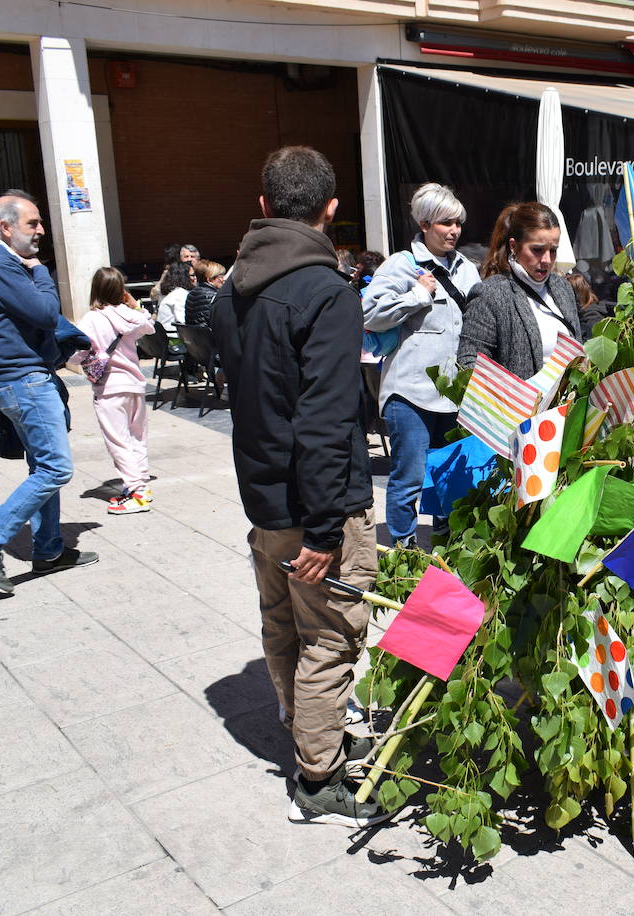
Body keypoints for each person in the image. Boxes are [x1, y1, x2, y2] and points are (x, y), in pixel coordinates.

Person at [211, 146, 386, 827]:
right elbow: (324, 420)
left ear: (264, 206)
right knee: (330, 636)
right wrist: (323, 527)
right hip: (317, 504)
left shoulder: (233, 287)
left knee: (285, 623)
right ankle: (319, 779)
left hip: (265, 498)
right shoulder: (326, 291)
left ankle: (311, 735)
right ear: (331, 210)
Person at [0, 190, 98, 596]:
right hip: (23, 380)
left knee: (42, 467)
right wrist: (40, 272)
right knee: (55, 469)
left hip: (22, 378)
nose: (41, 231)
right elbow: (45, 313)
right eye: (32, 223)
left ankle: (49, 550)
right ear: (5, 227)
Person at [363, 183, 481, 550]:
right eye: (446, 223)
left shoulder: (467, 269)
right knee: (409, 479)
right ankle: (405, 552)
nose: (454, 230)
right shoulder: (401, 265)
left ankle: (447, 548)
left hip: (454, 395)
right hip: (409, 393)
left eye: (458, 223)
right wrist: (417, 295)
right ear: (425, 224)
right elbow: (369, 314)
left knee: (451, 478)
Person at [458, 201, 581, 378]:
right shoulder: (490, 294)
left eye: (553, 250)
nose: (547, 260)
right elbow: (469, 364)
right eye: (537, 250)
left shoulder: (562, 287)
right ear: (514, 246)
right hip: (517, 396)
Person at [78, 267, 155, 515]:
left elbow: (75, 353)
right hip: (135, 384)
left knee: (118, 442)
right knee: (137, 437)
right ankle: (140, 485)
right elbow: (149, 325)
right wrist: (133, 304)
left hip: (109, 387)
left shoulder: (91, 319)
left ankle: (136, 491)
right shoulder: (130, 316)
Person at [154, 261, 194, 335]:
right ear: (183, 277)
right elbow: (182, 322)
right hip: (174, 338)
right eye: (192, 275)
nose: (195, 278)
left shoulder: (176, 292)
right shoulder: (180, 295)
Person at [184, 258, 225, 328]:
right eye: (220, 276)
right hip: (211, 334)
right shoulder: (215, 297)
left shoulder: (191, 294)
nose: (223, 279)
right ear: (210, 280)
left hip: (194, 334)